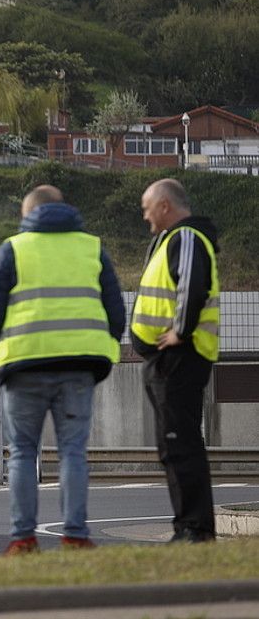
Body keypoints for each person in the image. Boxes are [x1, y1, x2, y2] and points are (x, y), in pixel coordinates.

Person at [0, 185, 125, 555]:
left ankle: (23, 539)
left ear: (28, 214)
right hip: (79, 367)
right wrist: (104, 356)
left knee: (23, 453)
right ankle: (75, 535)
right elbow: (116, 313)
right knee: (73, 450)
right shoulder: (93, 248)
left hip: (23, 365)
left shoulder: (13, 249)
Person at [132, 178, 220, 543]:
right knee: (176, 444)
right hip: (171, 359)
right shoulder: (174, 239)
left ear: (165, 205)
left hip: (179, 357)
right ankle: (189, 526)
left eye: (146, 207)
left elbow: (192, 284)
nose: (144, 215)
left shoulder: (185, 238)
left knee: (179, 444)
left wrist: (181, 332)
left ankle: (194, 530)